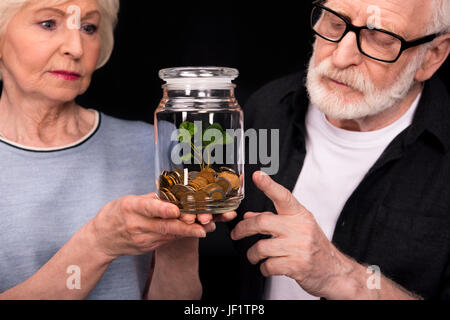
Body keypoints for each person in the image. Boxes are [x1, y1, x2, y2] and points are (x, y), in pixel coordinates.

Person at [0, 0, 235, 300]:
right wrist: (98, 244)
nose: (76, 47)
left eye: (89, 28)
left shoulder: (155, 145)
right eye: (49, 23)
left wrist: (179, 239)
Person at [229, 0, 450, 300]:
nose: (342, 56)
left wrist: (343, 278)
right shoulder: (266, 109)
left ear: (431, 56)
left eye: (381, 38)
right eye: (334, 23)